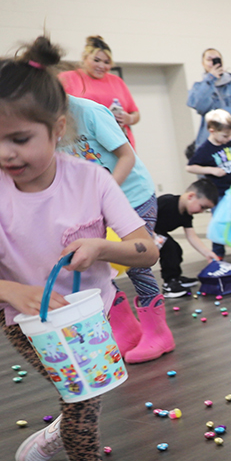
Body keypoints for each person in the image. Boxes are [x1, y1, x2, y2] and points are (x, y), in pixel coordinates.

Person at [0, 36, 159, 461]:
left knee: (83, 389)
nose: (3, 154)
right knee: (80, 391)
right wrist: (15, 293)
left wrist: (102, 247)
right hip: (26, 320)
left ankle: (61, 432)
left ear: (57, 128)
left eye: (19, 139)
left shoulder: (92, 179)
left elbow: (148, 249)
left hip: (90, 313)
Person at [64, 95, 175, 363]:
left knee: (136, 261)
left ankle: (159, 333)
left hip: (133, 195)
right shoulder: (40, 121)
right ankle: (126, 329)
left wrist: (106, 194)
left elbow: (126, 156)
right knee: (95, 264)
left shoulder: (89, 112)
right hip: (92, 203)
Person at [186, 109, 231, 264]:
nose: (228, 139)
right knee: (220, 221)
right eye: (225, 136)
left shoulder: (229, 144)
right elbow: (190, 167)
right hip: (219, 193)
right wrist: (211, 170)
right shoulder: (205, 149)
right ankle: (218, 251)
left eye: (230, 135)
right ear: (212, 131)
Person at [58, 36, 141, 149]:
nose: (101, 66)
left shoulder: (117, 81)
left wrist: (128, 118)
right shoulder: (67, 78)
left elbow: (135, 113)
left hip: (118, 141)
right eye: (96, 60)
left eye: (106, 62)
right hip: (85, 143)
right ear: (85, 58)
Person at [154, 179, 221, 298]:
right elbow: (144, 217)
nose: (201, 212)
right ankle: (169, 284)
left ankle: (176, 278)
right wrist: (152, 235)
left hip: (159, 232)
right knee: (169, 248)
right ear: (191, 196)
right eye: (202, 207)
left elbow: (191, 236)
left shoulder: (186, 215)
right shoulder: (166, 202)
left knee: (176, 249)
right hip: (146, 230)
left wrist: (207, 253)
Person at [187, 49, 231, 158]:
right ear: (203, 64)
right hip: (210, 143)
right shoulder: (198, 87)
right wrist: (210, 79)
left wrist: (226, 115)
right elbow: (199, 106)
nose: (212, 62)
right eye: (209, 59)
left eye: (216, 59)